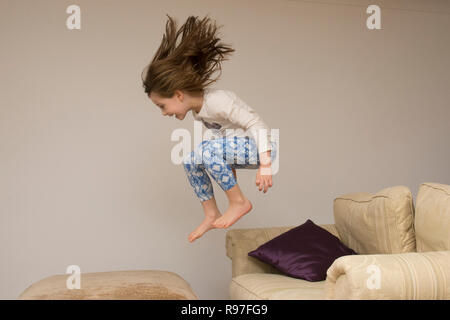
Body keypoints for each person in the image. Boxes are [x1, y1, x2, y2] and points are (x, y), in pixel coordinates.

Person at [141, 14, 278, 242]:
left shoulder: (218, 100)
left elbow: (255, 122)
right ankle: (211, 212)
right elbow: (224, 144)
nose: (164, 113)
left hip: (261, 146)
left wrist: (265, 164)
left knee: (206, 150)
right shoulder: (200, 112)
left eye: (162, 106)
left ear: (178, 94)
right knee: (191, 159)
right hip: (239, 148)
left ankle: (239, 202)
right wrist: (229, 170)